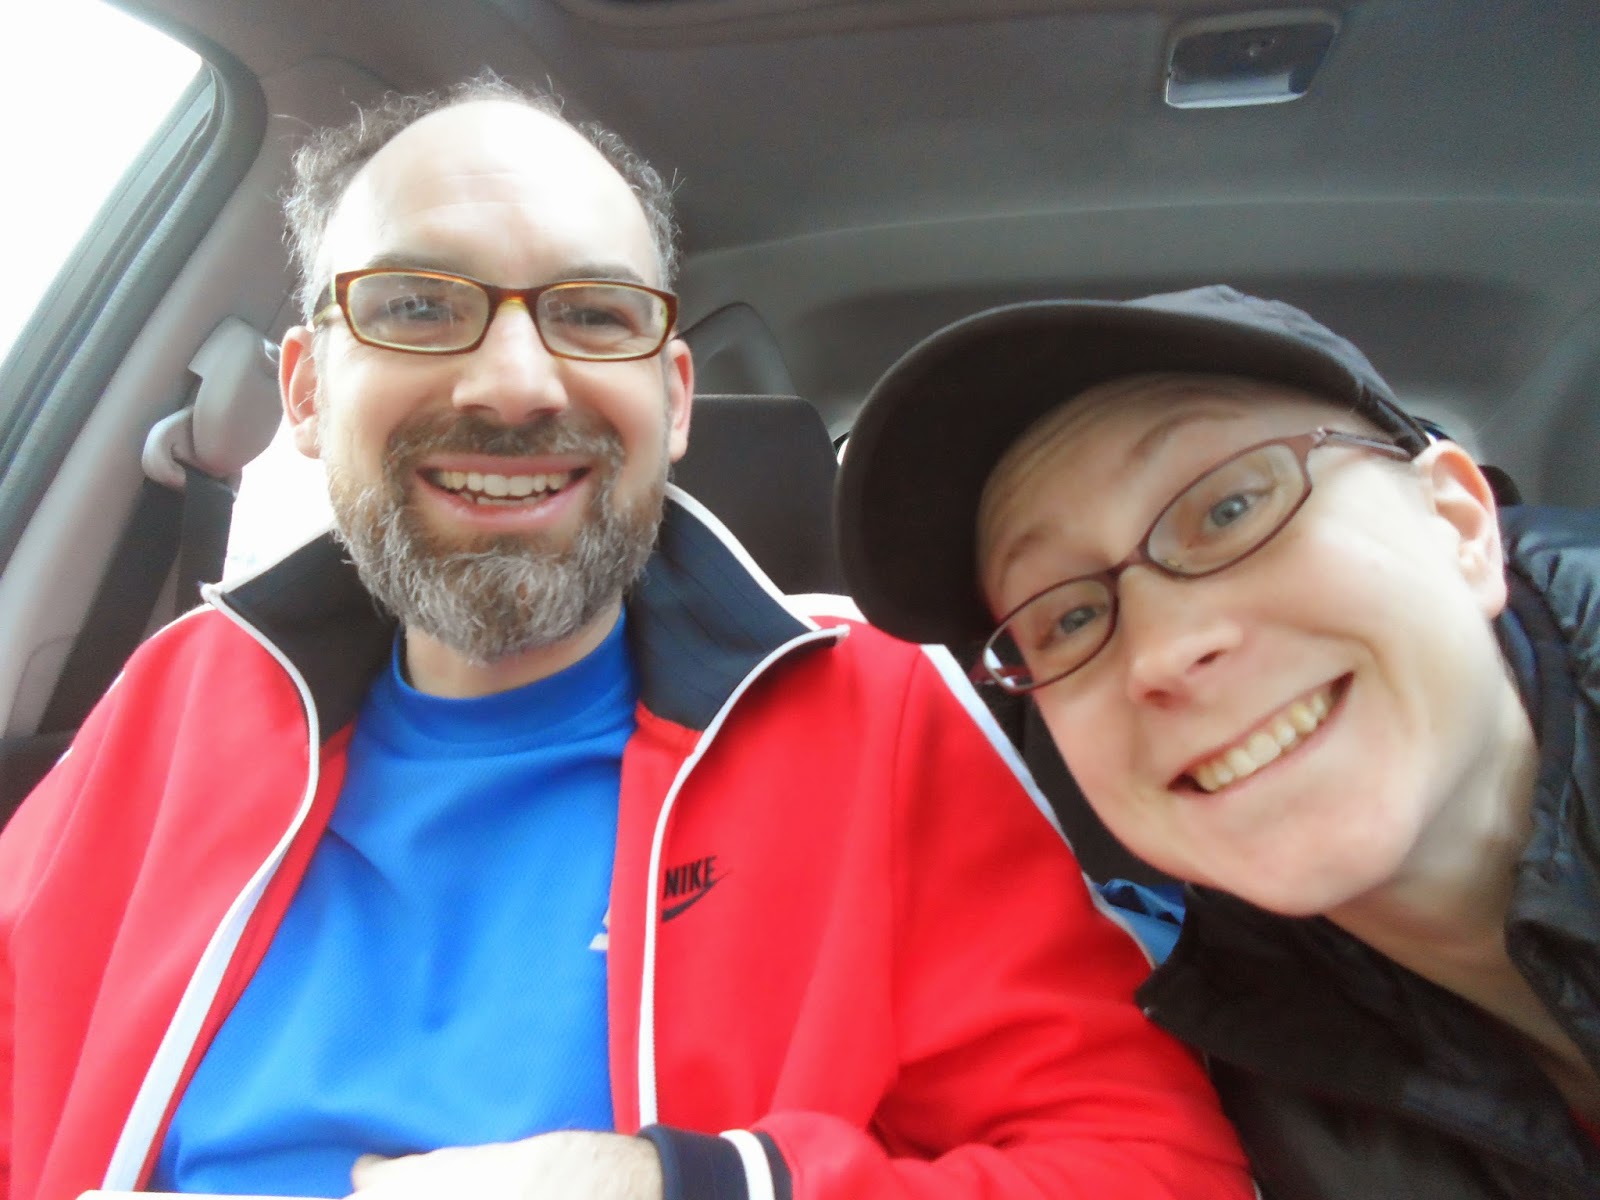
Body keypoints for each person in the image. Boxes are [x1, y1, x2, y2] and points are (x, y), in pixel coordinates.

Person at [0, 80, 1254, 1200]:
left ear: (675, 398)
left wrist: (687, 1188)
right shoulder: (181, 694)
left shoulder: (878, 719)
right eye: (418, 306)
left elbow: (1162, 1174)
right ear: (308, 393)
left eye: (596, 316)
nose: (514, 383)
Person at [834, 284, 1600, 1199]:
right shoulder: (1219, 1084)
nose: (1162, 652)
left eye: (1231, 509)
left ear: (1459, 525)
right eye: (1068, 618)